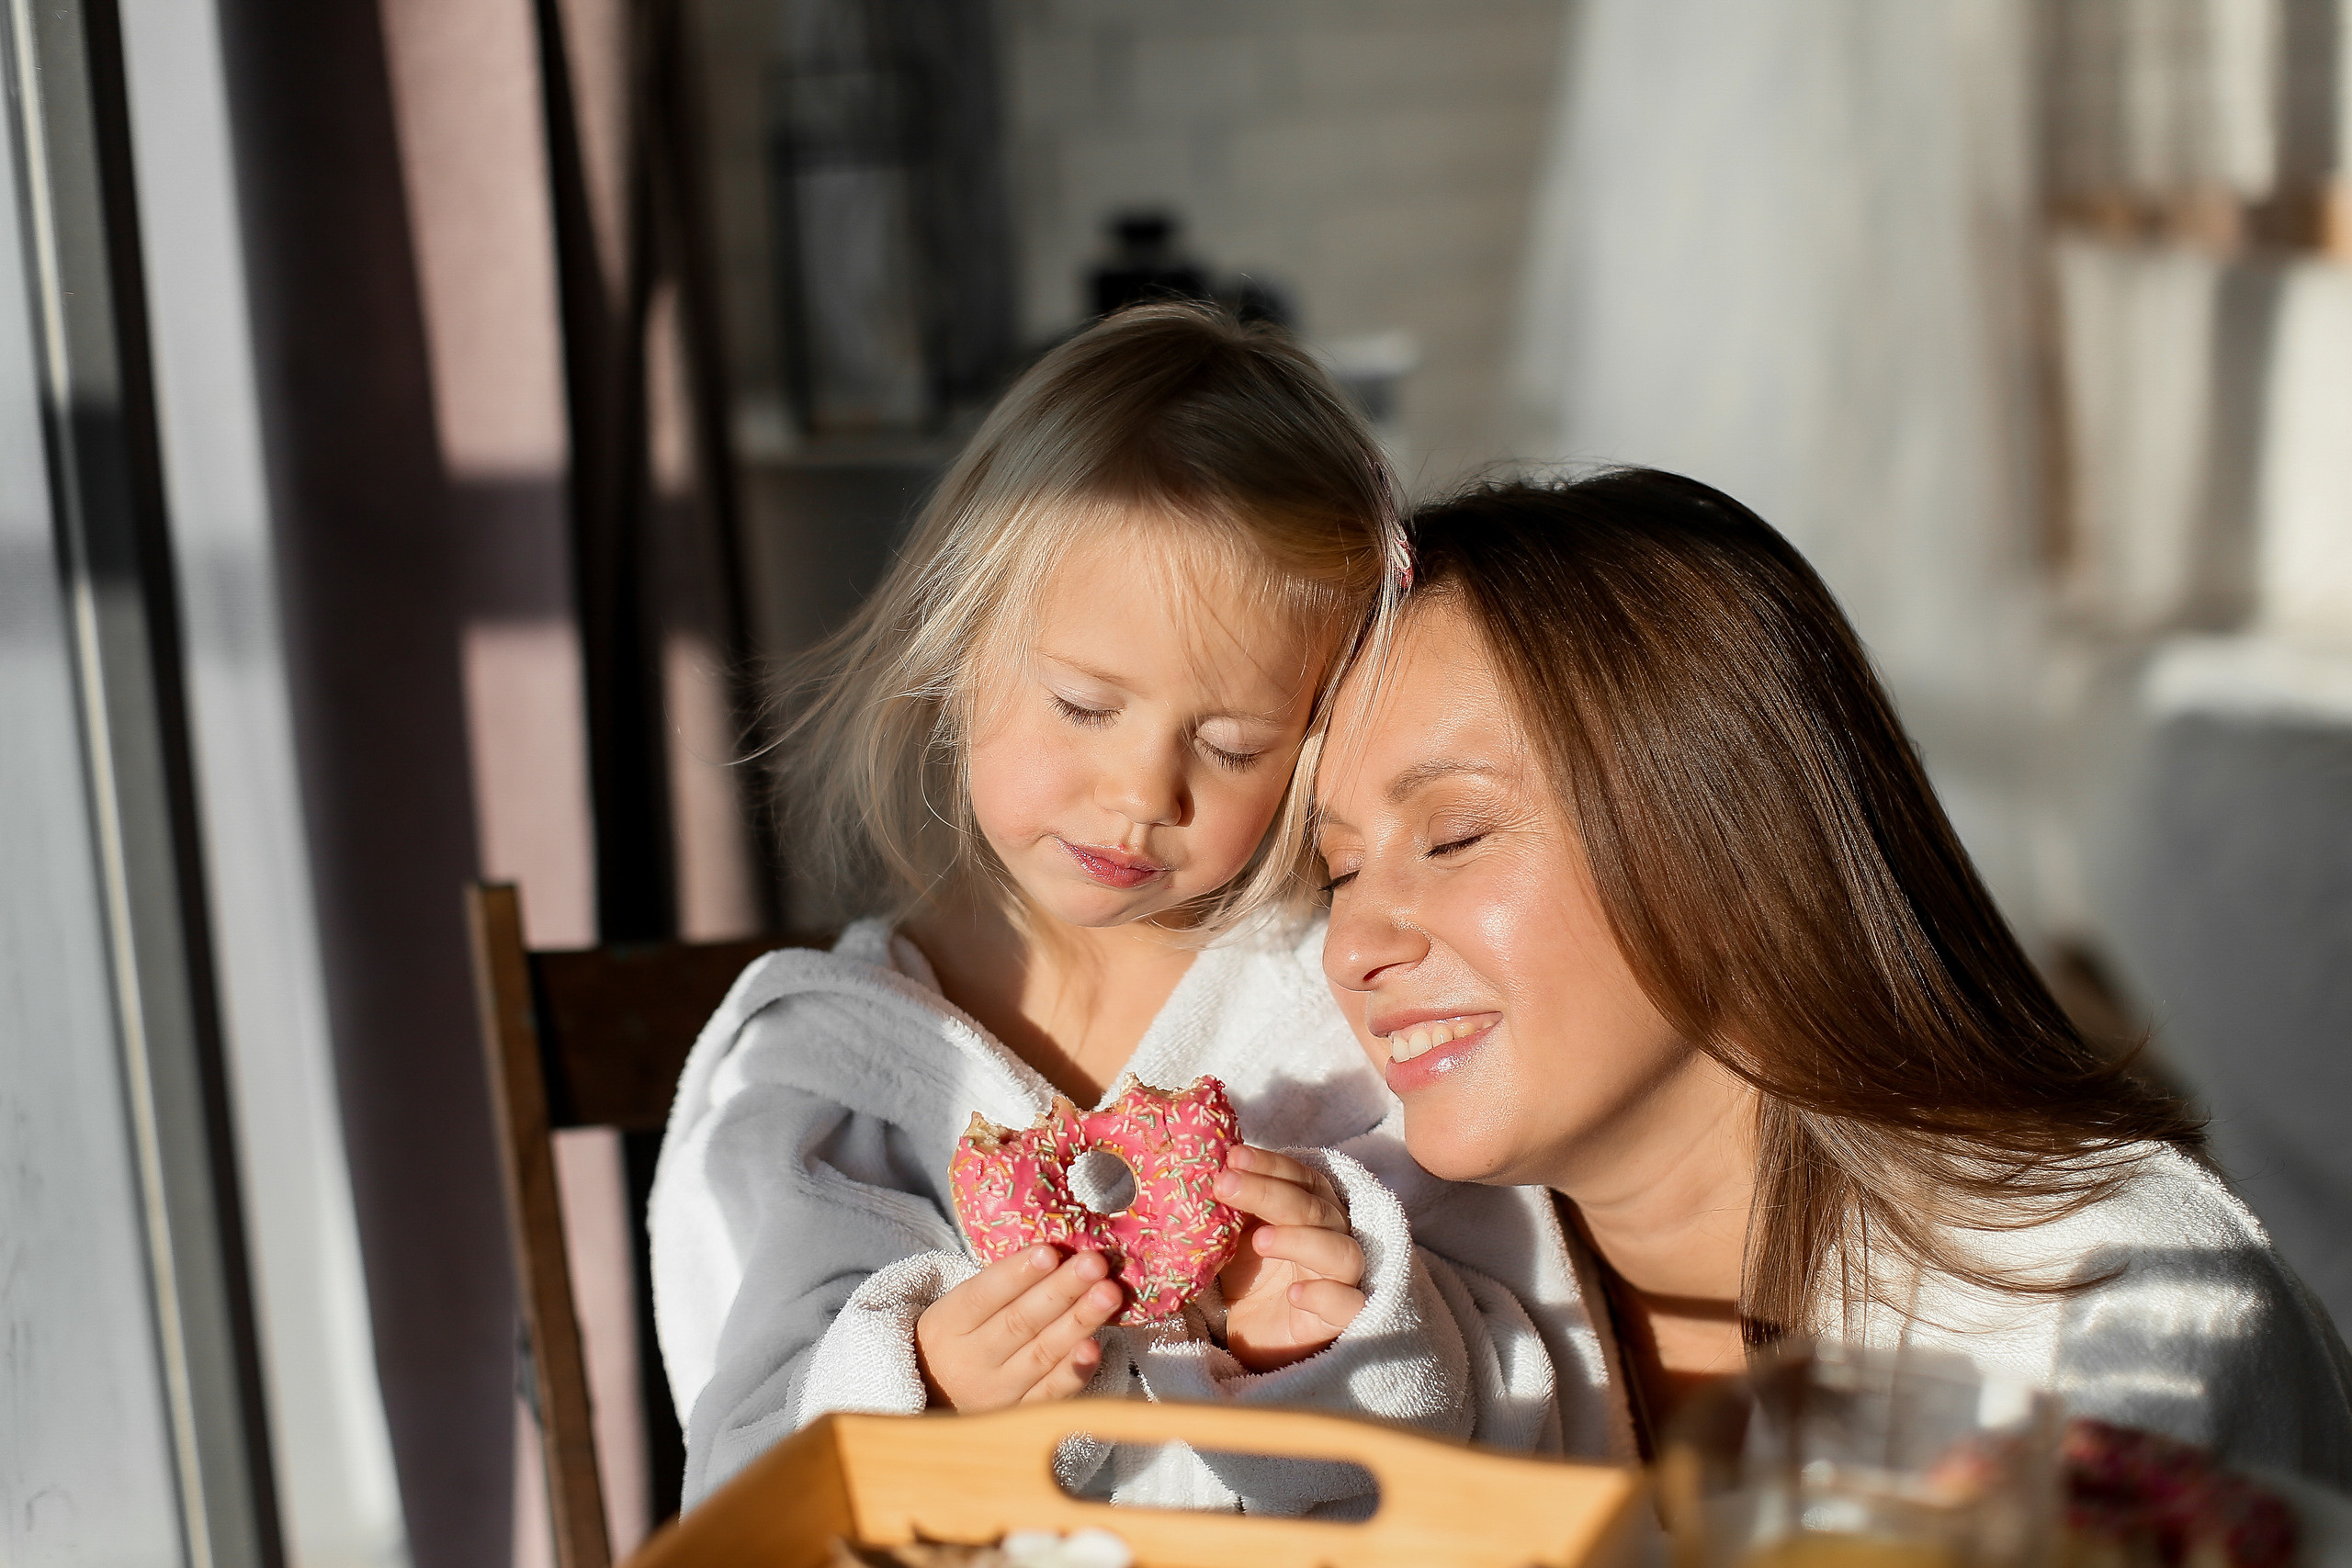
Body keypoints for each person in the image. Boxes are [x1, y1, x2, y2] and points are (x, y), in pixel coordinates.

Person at [650, 306, 1605, 1514]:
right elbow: (743, 1488)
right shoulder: (835, 1075)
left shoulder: (1344, 1021)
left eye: (1229, 741)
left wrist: (1327, 1341)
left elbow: (1513, 1419)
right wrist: (920, 1386)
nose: (1145, 792)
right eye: (1087, 707)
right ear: (962, 643)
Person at [1313, 468, 2352, 1481]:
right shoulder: (1389, 1307)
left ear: (1725, 836)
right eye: (1337, 871)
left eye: (1453, 836)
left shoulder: (2102, 1311)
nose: (1354, 943)